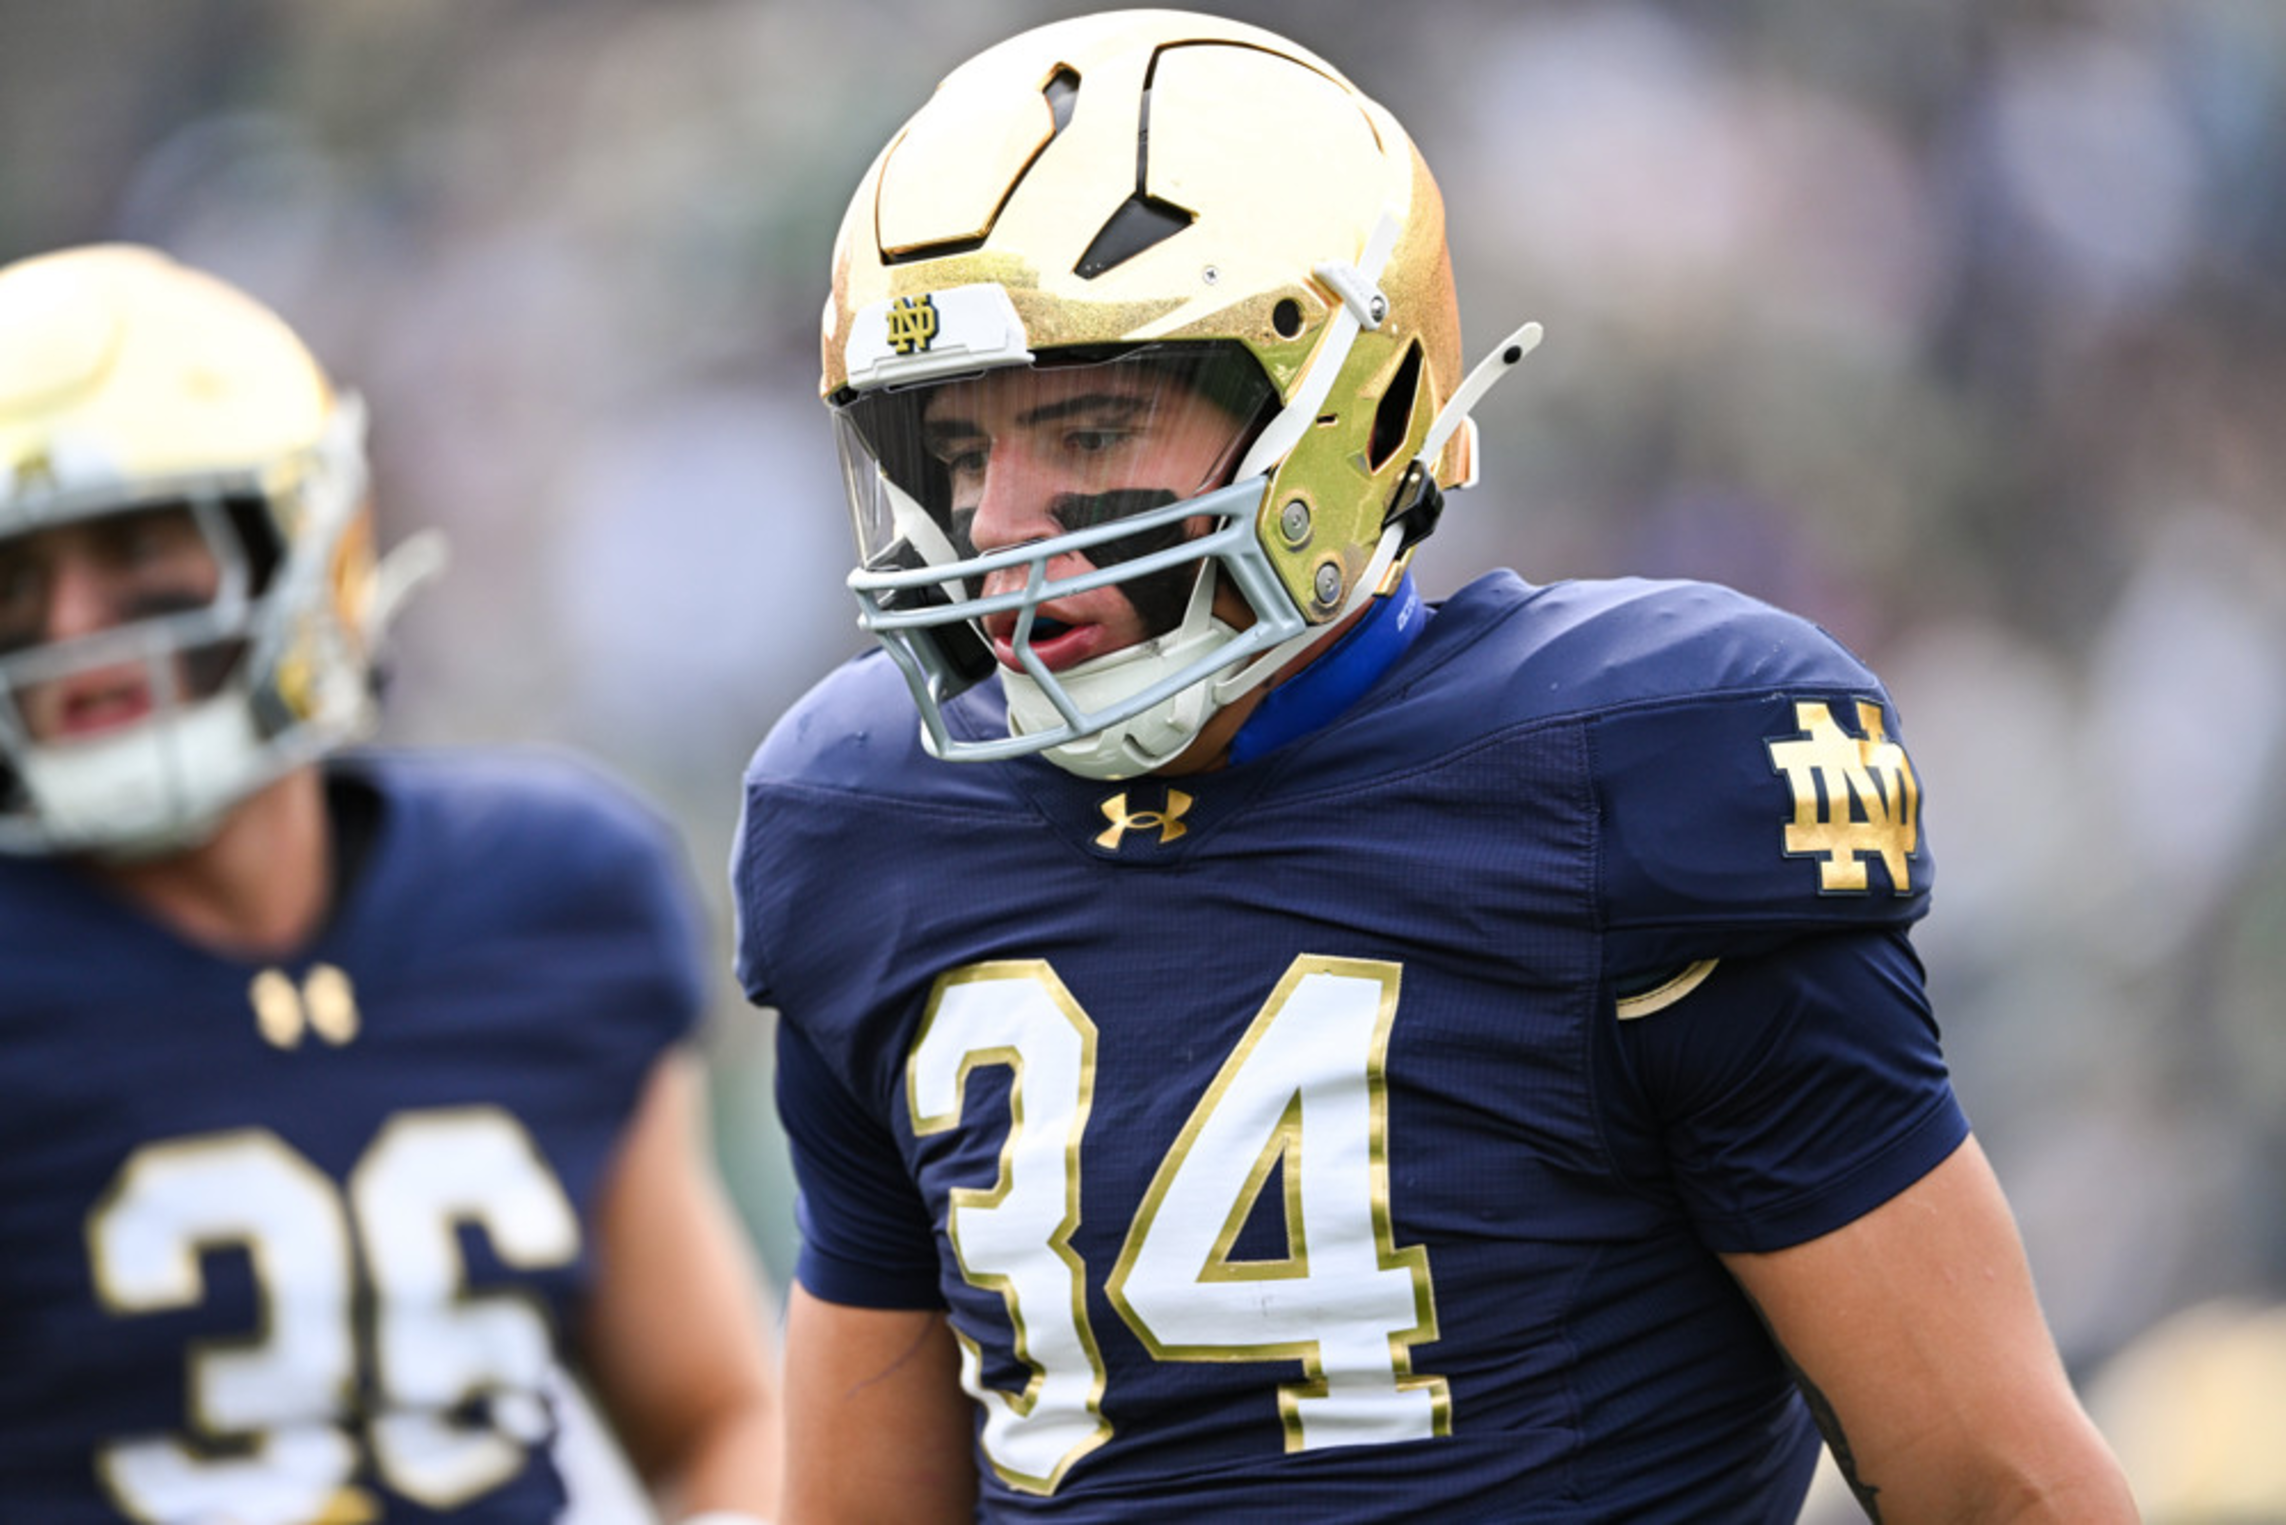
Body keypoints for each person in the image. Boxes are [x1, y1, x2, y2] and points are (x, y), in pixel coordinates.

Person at [731, 11, 2134, 1523]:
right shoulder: (867, 822)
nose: (997, 522)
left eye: (1088, 429)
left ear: (1346, 409)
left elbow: (1999, 1485)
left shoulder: (1628, 776)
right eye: (956, 452)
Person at [0, 243, 781, 1524]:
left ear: (301, 541)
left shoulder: (549, 892)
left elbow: (714, 1416)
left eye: (135, 543)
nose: (71, 626)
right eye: (13, 579)